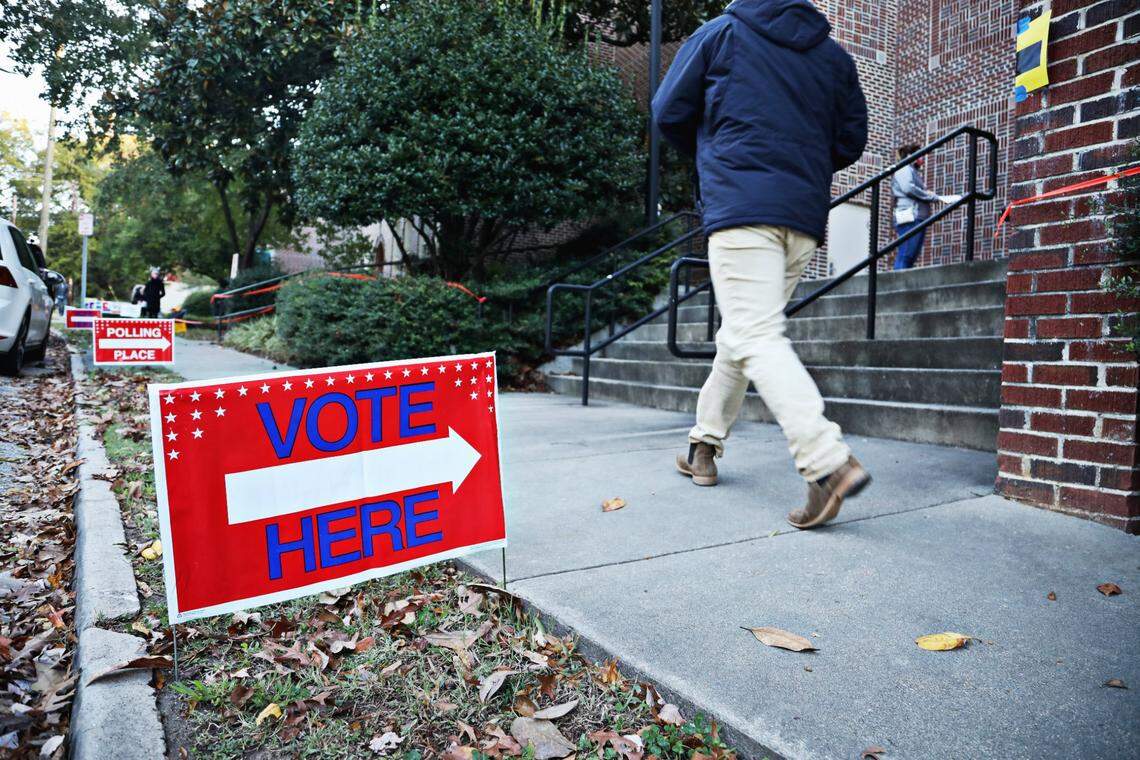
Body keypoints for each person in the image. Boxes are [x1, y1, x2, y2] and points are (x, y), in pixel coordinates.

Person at [653, 0, 871, 530]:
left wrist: (718, 151)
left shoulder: (721, 34)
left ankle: (826, 460)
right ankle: (703, 447)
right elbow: (852, 140)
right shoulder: (834, 57)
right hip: (801, 215)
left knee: (753, 334)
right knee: (744, 333)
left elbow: (668, 111)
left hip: (742, 205)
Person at [891, 145, 960, 270]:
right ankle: (897, 283)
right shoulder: (904, 168)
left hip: (917, 217)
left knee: (911, 255)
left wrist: (928, 193)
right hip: (910, 217)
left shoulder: (912, 171)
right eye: (921, 155)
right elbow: (908, 188)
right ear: (911, 155)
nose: (923, 158)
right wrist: (930, 196)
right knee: (906, 254)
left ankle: (902, 283)